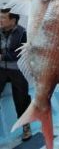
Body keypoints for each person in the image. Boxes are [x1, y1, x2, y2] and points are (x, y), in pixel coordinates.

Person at [0, 8, 32, 141]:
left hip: (18, 71)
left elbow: (24, 53)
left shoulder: (23, 32)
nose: (0, 20)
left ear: (13, 20)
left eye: (3, 18)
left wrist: (3, 56)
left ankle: (26, 127)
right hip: (1, 70)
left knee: (21, 100)